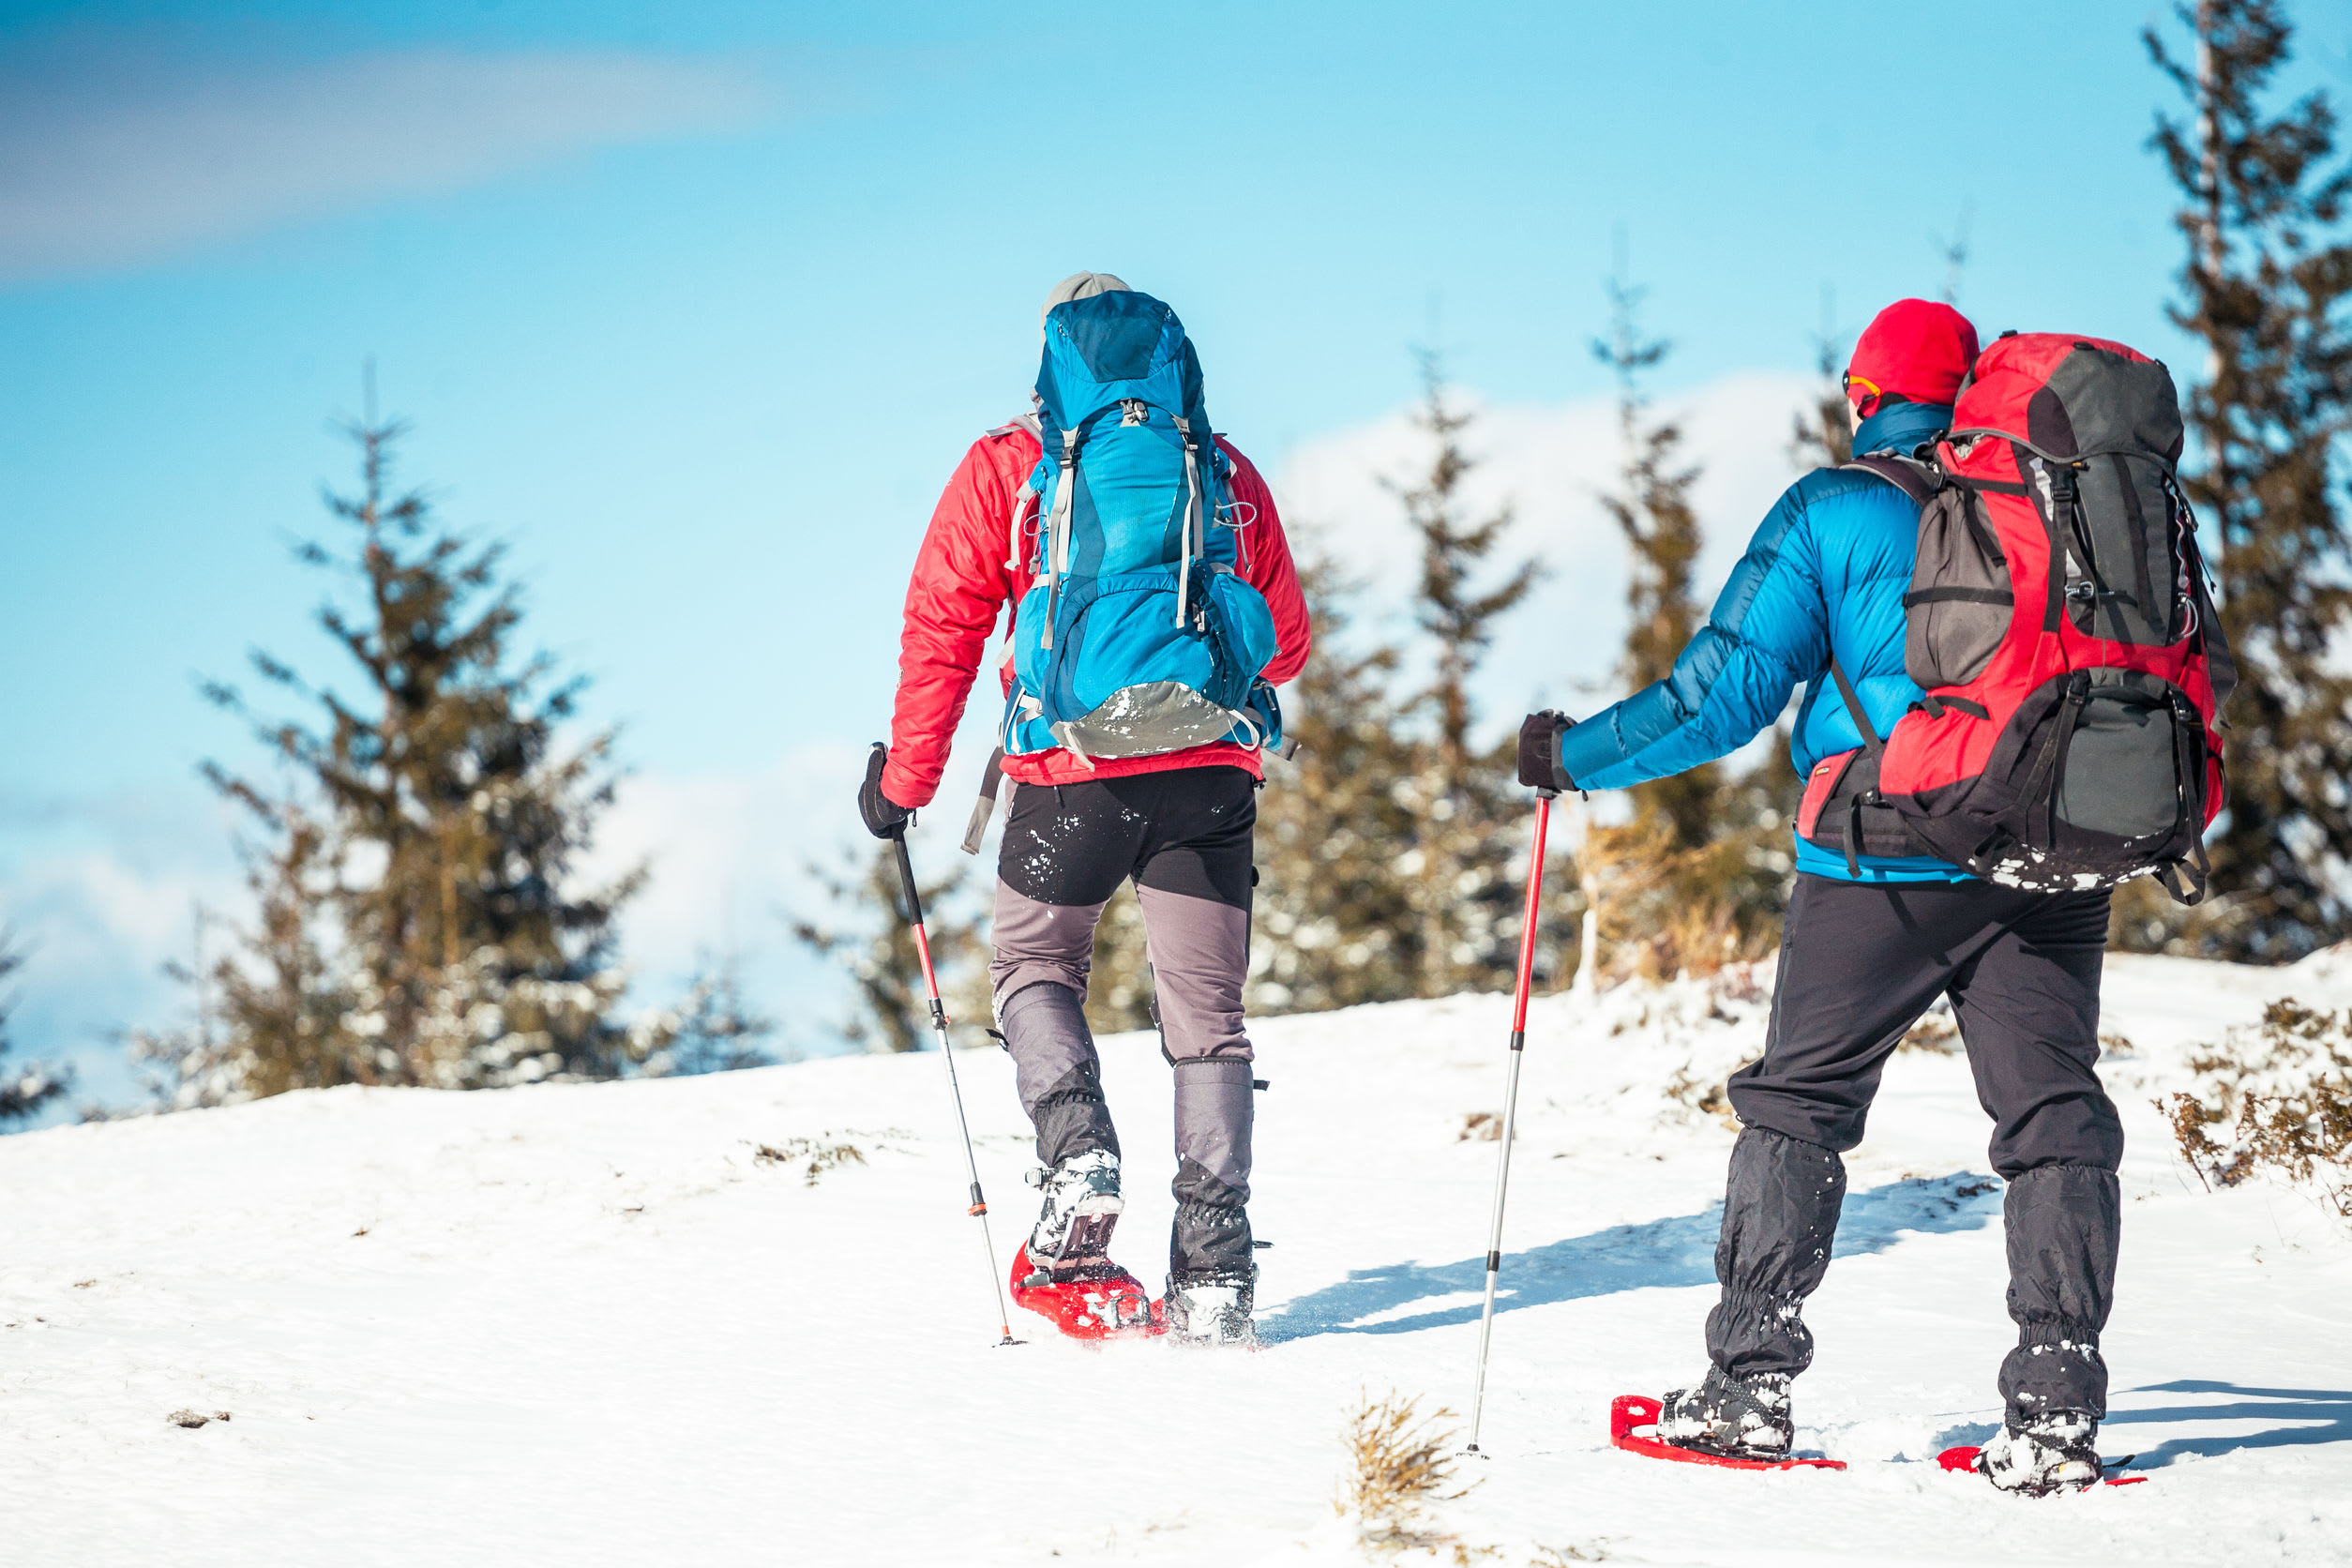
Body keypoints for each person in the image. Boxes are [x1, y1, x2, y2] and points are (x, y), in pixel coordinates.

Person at [1518, 299, 2127, 1494]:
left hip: (1885, 851)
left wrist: (1574, 756)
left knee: (1799, 1105)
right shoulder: (2059, 501)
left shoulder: (1837, 507)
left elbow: (1720, 695)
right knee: (2055, 1118)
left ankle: (1748, 1385)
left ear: (1864, 395)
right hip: (2050, 847)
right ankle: (2055, 1408)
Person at [860, 272, 1309, 1344]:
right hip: (1209, 773)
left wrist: (903, 785)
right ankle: (1212, 1277)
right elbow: (1285, 640)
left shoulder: (1010, 467)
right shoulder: (1221, 468)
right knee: (1209, 1027)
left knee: (1034, 968)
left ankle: (1079, 1157)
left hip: (1072, 776)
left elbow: (944, 630)